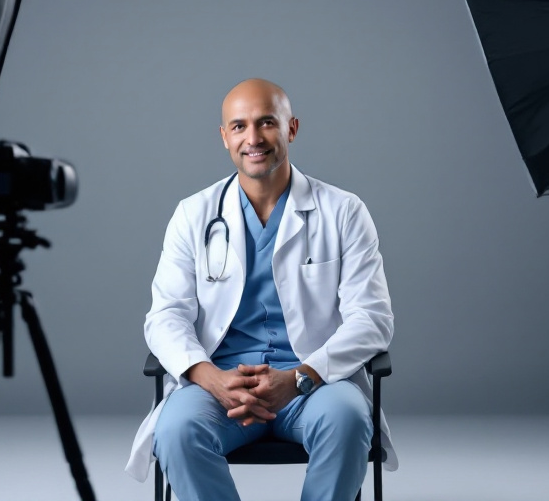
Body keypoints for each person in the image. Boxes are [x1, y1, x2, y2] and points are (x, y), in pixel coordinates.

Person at [125, 78, 397, 500]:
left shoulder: (343, 212)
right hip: (222, 386)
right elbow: (166, 316)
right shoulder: (193, 214)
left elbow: (372, 320)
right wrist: (210, 378)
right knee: (177, 429)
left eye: (267, 122)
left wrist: (300, 378)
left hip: (314, 384)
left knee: (347, 419)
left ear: (292, 128)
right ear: (224, 137)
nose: (253, 138)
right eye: (239, 126)